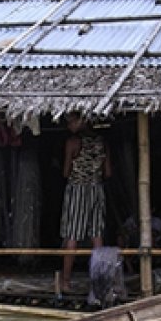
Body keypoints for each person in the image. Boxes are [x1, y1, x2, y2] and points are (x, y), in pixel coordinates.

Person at [59, 114, 111, 289]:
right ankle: (100, 279)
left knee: (72, 234)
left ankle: (66, 280)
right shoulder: (102, 142)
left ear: (82, 120)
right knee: (96, 234)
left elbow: (66, 172)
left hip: (78, 188)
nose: (68, 125)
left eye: (71, 121)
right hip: (97, 189)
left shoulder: (73, 142)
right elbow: (108, 172)